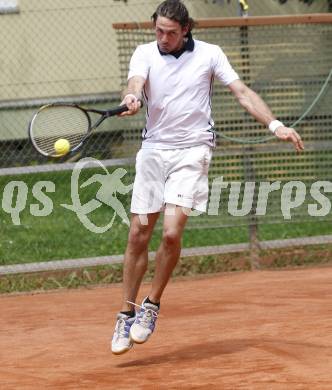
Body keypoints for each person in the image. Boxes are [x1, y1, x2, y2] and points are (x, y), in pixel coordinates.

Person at [111, 0, 304, 355]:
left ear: (186, 30)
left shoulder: (210, 54)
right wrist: (132, 97)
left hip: (193, 152)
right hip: (154, 153)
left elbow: (241, 92)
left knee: (170, 233)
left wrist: (276, 125)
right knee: (139, 232)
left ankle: (151, 305)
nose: (163, 38)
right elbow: (136, 83)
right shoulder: (143, 52)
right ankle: (126, 311)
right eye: (159, 31)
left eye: (171, 32)